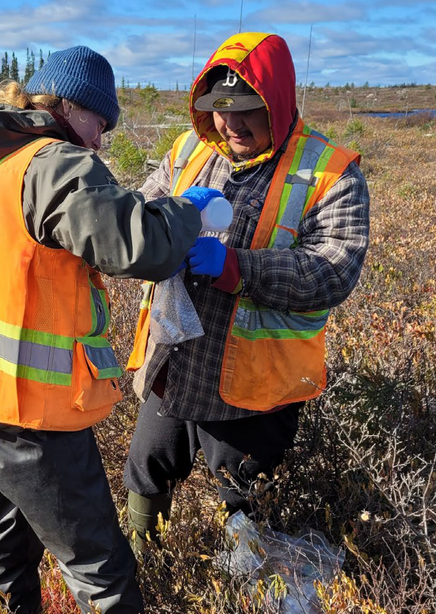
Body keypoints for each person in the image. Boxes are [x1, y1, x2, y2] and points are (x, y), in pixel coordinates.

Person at [0, 46, 214, 614]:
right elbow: (138, 247)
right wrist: (186, 212)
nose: (100, 141)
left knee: (1, 553)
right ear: (70, 106)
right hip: (25, 415)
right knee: (103, 572)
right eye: (100, 123)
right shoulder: (53, 162)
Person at [122, 32, 371, 547]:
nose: (231, 124)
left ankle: (246, 586)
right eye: (219, 108)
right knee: (145, 472)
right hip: (175, 362)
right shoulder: (190, 149)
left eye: (247, 110)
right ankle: (146, 567)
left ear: (276, 103)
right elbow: (137, 220)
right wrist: (159, 220)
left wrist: (239, 268)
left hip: (255, 390)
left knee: (245, 498)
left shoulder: (331, 172)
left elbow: (334, 270)